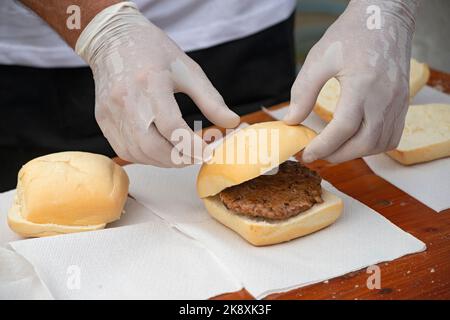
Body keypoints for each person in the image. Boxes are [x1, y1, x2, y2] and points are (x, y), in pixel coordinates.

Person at [0, 0, 419, 192]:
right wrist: (100, 28)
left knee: (275, 148)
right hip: (56, 61)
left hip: (250, 28)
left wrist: (387, 9)